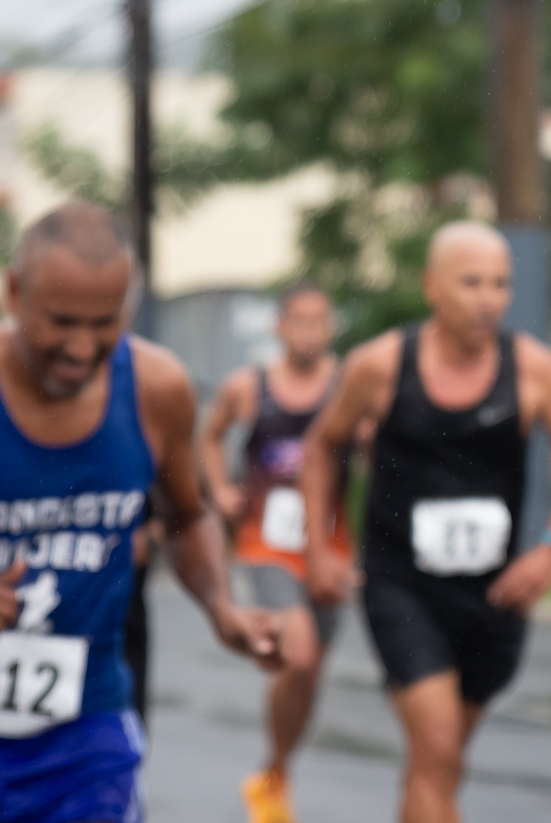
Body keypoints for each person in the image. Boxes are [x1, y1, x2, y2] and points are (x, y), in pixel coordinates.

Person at [0, 202, 280, 823]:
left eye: (105, 323)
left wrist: (220, 605)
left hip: (81, 726)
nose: (81, 348)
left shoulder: (157, 389)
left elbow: (188, 515)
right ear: (14, 293)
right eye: (62, 321)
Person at [300, 220, 551, 823]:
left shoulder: (535, 369)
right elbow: (321, 447)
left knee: (439, 765)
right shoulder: (380, 365)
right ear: (432, 287)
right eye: (470, 282)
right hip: (401, 586)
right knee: (438, 747)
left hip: (494, 594)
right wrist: (319, 548)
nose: (488, 299)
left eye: (500, 283)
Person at [200, 281, 353, 823]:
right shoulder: (248, 386)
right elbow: (211, 435)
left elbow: (381, 456)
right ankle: (274, 776)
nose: (310, 332)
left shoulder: (348, 386)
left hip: (329, 550)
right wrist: (219, 488)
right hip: (265, 543)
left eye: (320, 321)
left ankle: (274, 773)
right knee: (299, 654)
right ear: (279, 327)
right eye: (300, 321)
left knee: (309, 675)